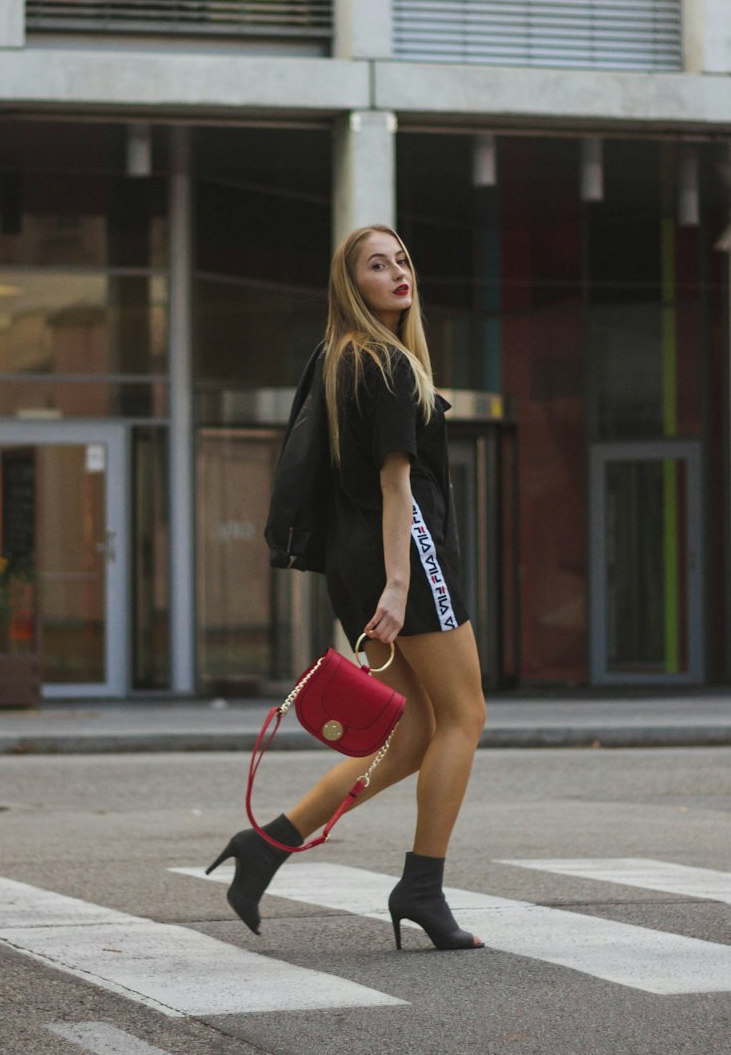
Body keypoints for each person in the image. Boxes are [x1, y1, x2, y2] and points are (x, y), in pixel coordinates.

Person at [207, 224, 487, 951]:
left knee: (420, 730)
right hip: (405, 557)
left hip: (357, 561)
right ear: (350, 284)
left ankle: (270, 841)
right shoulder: (385, 363)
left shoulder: (340, 359)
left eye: (402, 259)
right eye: (376, 264)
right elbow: (396, 484)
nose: (398, 272)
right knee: (466, 715)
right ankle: (423, 883)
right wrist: (399, 586)